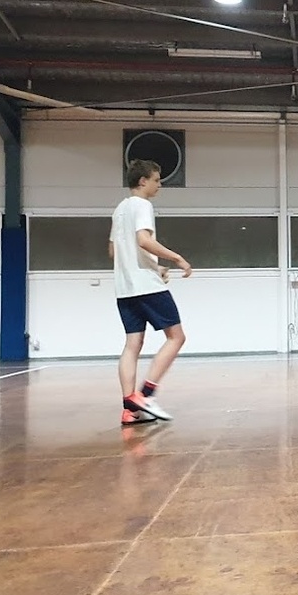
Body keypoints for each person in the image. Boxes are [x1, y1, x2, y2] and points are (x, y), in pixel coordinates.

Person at [110, 159, 192, 426]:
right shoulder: (142, 205)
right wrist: (177, 258)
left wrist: (155, 267)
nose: (159, 185)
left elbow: (114, 251)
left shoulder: (119, 210)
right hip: (146, 287)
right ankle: (146, 394)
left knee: (132, 345)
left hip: (124, 289)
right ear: (143, 181)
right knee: (176, 337)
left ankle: (129, 408)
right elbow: (144, 240)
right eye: (156, 180)